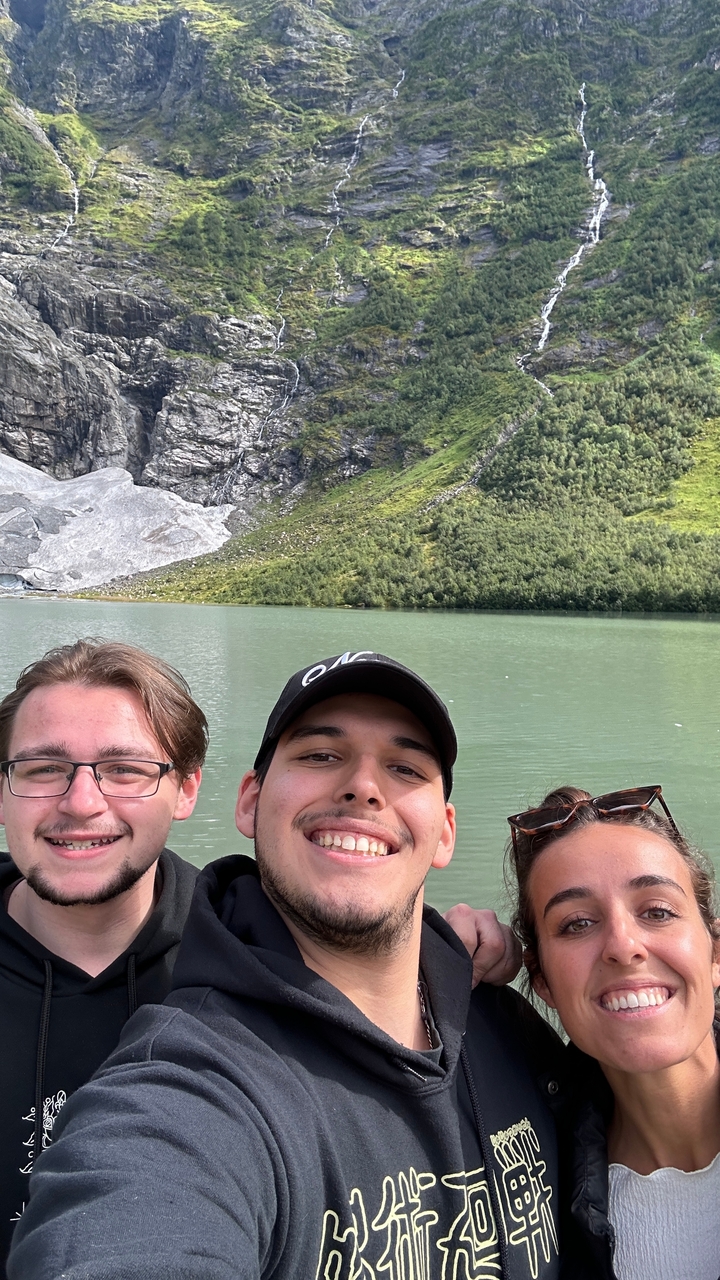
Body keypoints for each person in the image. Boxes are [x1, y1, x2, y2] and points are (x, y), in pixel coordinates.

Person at [9, 651, 566, 1280]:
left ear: (444, 832)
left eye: (405, 767)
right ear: (249, 802)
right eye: (320, 755)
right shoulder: (196, 1086)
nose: (363, 786)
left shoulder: (510, 1029)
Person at [0, 638, 206, 1272]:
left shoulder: (250, 953)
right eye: (42, 768)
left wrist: (450, 953)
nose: (82, 802)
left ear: (186, 790)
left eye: (125, 769)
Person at [506, 784, 720, 1280]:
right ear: (542, 982)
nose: (623, 946)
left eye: (657, 912)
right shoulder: (534, 1204)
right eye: (578, 923)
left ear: (715, 953)